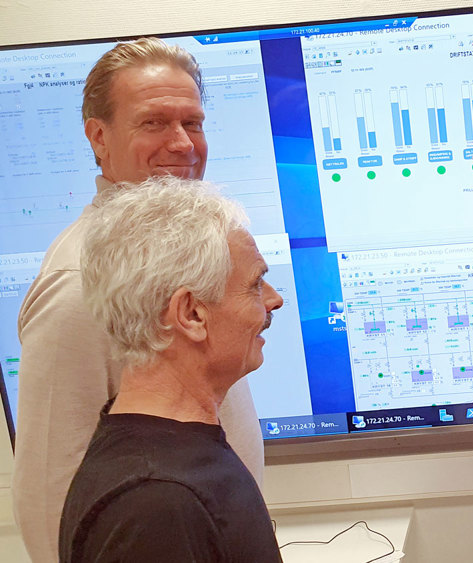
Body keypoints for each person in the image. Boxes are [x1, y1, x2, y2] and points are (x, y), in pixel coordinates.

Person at [14, 37, 265, 562]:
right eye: (154, 123)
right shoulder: (79, 279)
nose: (181, 144)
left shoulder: (183, 245)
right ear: (98, 136)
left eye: (192, 123)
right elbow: (50, 493)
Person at [60, 177, 283, 561]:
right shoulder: (155, 504)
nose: (274, 300)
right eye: (255, 285)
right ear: (192, 314)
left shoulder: (174, 461)